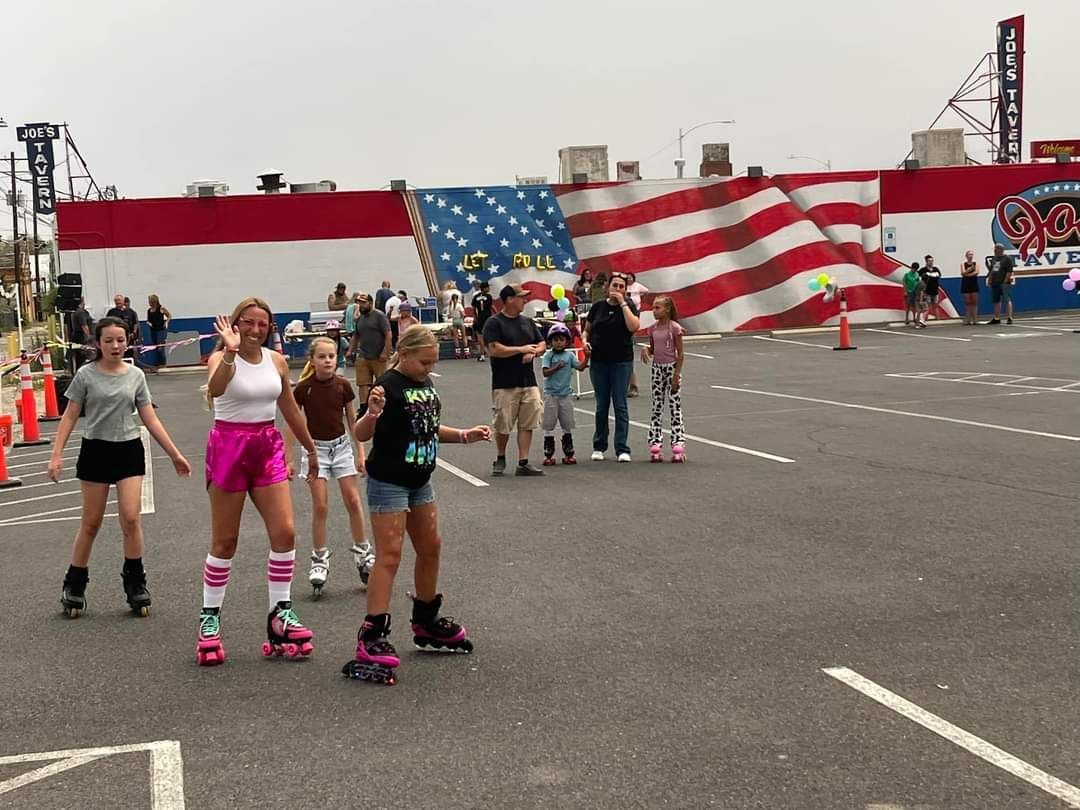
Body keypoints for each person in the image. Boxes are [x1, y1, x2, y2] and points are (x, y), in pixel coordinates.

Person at [343, 325, 490, 684]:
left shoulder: (424, 385)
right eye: (424, 362)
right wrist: (373, 412)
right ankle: (372, 633)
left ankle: (425, 617)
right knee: (389, 555)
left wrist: (464, 435)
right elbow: (362, 433)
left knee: (430, 548)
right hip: (389, 481)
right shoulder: (387, 386)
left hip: (420, 480)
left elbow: (429, 426)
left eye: (433, 363)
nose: (429, 368)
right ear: (404, 354)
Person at [195, 297, 321, 667]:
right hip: (229, 446)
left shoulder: (276, 361)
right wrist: (231, 353)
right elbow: (216, 389)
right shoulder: (222, 358)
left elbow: (289, 409)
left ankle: (280, 612)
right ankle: (210, 619)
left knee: (285, 532)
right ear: (235, 325)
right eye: (247, 323)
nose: (254, 330)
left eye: (261, 324)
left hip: (267, 446)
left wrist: (312, 449)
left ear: (269, 328)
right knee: (225, 540)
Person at [50, 317, 191, 619]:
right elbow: (70, 417)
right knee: (91, 523)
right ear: (97, 344)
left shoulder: (136, 375)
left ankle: (135, 583)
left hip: (128, 450)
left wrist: (175, 454)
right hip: (95, 451)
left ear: (128, 341)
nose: (115, 346)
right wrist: (56, 454)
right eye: (108, 341)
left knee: (130, 517)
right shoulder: (85, 376)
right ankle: (74, 585)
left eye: (120, 340)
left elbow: (150, 418)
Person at [289, 337, 373, 598]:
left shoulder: (343, 386)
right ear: (312, 360)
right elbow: (294, 423)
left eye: (332, 356)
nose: (328, 360)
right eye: (322, 356)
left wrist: (360, 453)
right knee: (321, 505)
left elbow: (352, 421)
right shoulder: (303, 389)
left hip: (341, 448)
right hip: (315, 451)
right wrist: (288, 458)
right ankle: (319, 559)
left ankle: (363, 554)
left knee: (353, 500)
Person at [481, 284, 548, 477]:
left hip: (528, 381)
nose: (524, 300)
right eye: (521, 297)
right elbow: (494, 349)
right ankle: (500, 456)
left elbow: (541, 342)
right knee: (503, 423)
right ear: (509, 299)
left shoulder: (527, 321)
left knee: (528, 421)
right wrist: (521, 349)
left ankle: (523, 461)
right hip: (505, 382)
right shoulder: (494, 323)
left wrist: (535, 351)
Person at [584, 273, 640, 462]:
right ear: (607, 287)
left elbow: (634, 327)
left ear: (625, 290)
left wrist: (623, 304)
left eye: (621, 286)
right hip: (599, 361)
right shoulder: (598, 307)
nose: (617, 289)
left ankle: (622, 448)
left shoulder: (629, 306)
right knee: (602, 405)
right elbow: (587, 329)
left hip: (621, 362)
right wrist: (585, 341)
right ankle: (599, 445)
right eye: (614, 285)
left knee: (620, 404)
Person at [641, 296, 686, 463]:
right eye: (653, 308)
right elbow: (654, 348)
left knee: (675, 407)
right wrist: (647, 350)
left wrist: (676, 375)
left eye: (657, 308)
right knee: (657, 406)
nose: (654, 311)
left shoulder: (674, 328)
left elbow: (680, 354)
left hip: (671, 367)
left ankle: (678, 443)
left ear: (667, 309)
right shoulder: (652, 329)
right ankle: (655, 443)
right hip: (657, 369)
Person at [541, 322, 587, 466]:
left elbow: (580, 367)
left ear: (567, 341)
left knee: (567, 422)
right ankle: (549, 451)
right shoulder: (548, 356)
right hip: (551, 394)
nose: (559, 343)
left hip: (565, 394)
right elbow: (545, 372)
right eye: (556, 340)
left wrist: (588, 357)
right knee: (549, 423)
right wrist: (556, 367)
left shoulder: (569, 356)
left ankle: (568, 450)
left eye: (562, 340)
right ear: (551, 342)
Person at [346, 293, 391, 410]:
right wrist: (350, 350)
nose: (360, 305)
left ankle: (385, 405)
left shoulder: (379, 316)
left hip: (378, 355)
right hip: (363, 355)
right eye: (359, 303)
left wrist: (385, 352)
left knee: (382, 382)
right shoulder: (360, 318)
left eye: (363, 303)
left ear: (370, 303)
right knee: (362, 383)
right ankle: (364, 406)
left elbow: (388, 334)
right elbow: (355, 336)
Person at [625, 272, 649, 397]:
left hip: (626, 335)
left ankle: (633, 386)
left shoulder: (628, 302)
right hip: (612, 339)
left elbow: (634, 323)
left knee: (628, 362)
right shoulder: (606, 304)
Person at [985, 243, 1015, 325]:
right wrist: (990, 279)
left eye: (996, 249)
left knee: (1006, 299)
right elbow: (992, 270)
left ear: (1001, 249)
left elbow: (1009, 271)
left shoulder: (1007, 259)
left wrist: (1005, 281)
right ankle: (997, 318)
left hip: (1003, 283)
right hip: (995, 282)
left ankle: (1009, 317)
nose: (994, 250)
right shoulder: (995, 258)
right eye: (994, 249)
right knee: (996, 300)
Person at [146, 294, 172, 368]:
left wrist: (166, 322)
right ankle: (159, 363)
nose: (149, 303)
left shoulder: (161, 308)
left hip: (161, 330)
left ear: (154, 301)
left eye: (151, 301)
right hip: (153, 330)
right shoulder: (149, 310)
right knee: (156, 347)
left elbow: (169, 315)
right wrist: (148, 323)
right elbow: (148, 320)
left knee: (160, 347)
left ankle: (163, 364)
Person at [68, 298, 94, 372]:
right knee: (83, 356)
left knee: (77, 357)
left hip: (75, 336)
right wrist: (89, 337)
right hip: (82, 337)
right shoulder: (81, 312)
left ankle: (77, 370)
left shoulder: (74, 312)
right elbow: (84, 326)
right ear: (82, 302)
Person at [470, 281, 494, 362]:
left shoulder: (476, 297)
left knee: (480, 336)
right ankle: (492, 352)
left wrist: (475, 317)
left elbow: (474, 309)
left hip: (479, 317)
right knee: (489, 335)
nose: (489, 288)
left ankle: (482, 354)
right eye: (488, 287)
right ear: (484, 288)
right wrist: (497, 314)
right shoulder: (488, 296)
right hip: (488, 317)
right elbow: (491, 307)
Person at [917, 255, 941, 328]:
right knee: (927, 307)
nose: (931, 262)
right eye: (929, 261)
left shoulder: (936, 269)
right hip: (927, 291)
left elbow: (938, 275)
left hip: (935, 290)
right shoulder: (923, 270)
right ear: (926, 261)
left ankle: (938, 320)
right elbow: (918, 278)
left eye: (932, 261)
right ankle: (923, 320)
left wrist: (929, 274)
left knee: (936, 305)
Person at [960, 250, 980, 326]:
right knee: (967, 302)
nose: (970, 256)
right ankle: (968, 320)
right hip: (965, 283)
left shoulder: (976, 263)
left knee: (974, 302)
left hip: (974, 283)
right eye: (969, 254)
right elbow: (962, 273)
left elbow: (977, 272)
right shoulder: (963, 264)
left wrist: (968, 274)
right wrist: (968, 271)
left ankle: (975, 320)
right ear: (966, 256)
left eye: (972, 254)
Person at [448, 293, 468, 358]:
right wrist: (463, 318)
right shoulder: (459, 305)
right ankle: (466, 352)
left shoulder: (450, 306)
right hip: (460, 320)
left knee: (456, 337)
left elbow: (449, 315)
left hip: (454, 321)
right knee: (464, 336)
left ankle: (457, 352)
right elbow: (463, 314)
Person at [902, 262, 922, 326]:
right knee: (908, 305)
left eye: (916, 269)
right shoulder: (907, 275)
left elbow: (918, 282)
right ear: (911, 268)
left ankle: (914, 318)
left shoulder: (917, 274)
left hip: (915, 292)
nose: (914, 270)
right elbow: (904, 283)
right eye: (914, 269)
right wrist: (905, 291)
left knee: (914, 306)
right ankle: (906, 318)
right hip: (909, 292)